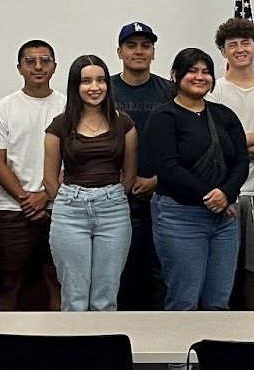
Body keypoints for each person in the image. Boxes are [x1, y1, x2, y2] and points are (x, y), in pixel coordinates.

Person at [147, 48, 250, 311]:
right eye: (192, 70)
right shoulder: (163, 116)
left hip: (224, 220)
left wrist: (226, 194)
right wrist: (213, 197)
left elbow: (241, 161)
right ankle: (181, 352)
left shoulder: (224, 115)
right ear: (175, 75)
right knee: (184, 300)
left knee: (218, 302)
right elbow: (168, 168)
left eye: (205, 71)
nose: (200, 77)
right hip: (180, 217)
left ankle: (211, 353)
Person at [45, 54, 137, 311]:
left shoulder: (124, 123)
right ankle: (74, 351)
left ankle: (102, 352)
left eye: (100, 80)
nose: (94, 87)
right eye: (86, 81)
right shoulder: (60, 125)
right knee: (74, 298)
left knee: (105, 297)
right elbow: (49, 179)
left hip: (114, 211)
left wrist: (111, 197)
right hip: (70, 212)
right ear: (75, 86)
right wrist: (68, 201)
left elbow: (129, 175)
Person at [0, 40, 67, 310]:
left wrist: (44, 196)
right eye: (30, 61)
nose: (38, 67)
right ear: (19, 68)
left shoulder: (68, 107)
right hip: (10, 208)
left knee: (57, 280)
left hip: (59, 207)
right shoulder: (3, 108)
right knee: (8, 281)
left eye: (45, 60)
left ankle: (59, 341)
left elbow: (75, 162)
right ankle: (3, 344)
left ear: (55, 67)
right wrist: (25, 198)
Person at [207, 18, 254, 310]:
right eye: (232, 45)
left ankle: (251, 326)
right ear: (223, 52)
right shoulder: (216, 92)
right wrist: (253, 139)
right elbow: (216, 148)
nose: (240, 49)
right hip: (225, 192)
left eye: (246, 43)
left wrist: (235, 141)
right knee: (223, 269)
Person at [111, 21, 171, 311]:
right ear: (119, 51)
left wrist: (156, 180)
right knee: (122, 274)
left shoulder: (169, 91)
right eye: (131, 45)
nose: (139, 51)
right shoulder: (104, 90)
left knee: (162, 274)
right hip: (115, 199)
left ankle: (162, 345)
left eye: (145, 45)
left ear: (153, 52)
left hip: (164, 194)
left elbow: (185, 144)